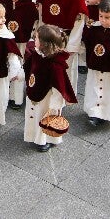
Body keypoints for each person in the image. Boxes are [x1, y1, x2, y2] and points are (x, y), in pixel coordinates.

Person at [23, 24, 77, 152]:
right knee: (34, 115)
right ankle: (32, 136)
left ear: (43, 44)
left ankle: (45, 140)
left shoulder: (55, 65)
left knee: (45, 118)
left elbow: (59, 87)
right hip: (35, 90)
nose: (33, 40)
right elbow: (28, 67)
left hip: (48, 98)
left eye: (36, 38)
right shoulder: (37, 54)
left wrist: (55, 105)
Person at [36, 0, 88, 89]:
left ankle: (61, 101)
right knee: (47, 68)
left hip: (67, 39)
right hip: (48, 36)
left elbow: (79, 23)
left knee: (65, 70)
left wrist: (71, 46)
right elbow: (41, 15)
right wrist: (40, 37)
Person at [0, 0, 38, 109]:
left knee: (19, 66)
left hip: (21, 42)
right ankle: (4, 95)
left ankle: (16, 98)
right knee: (4, 65)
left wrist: (33, 35)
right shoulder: (2, 2)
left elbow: (36, 21)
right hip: (4, 41)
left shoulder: (29, 5)